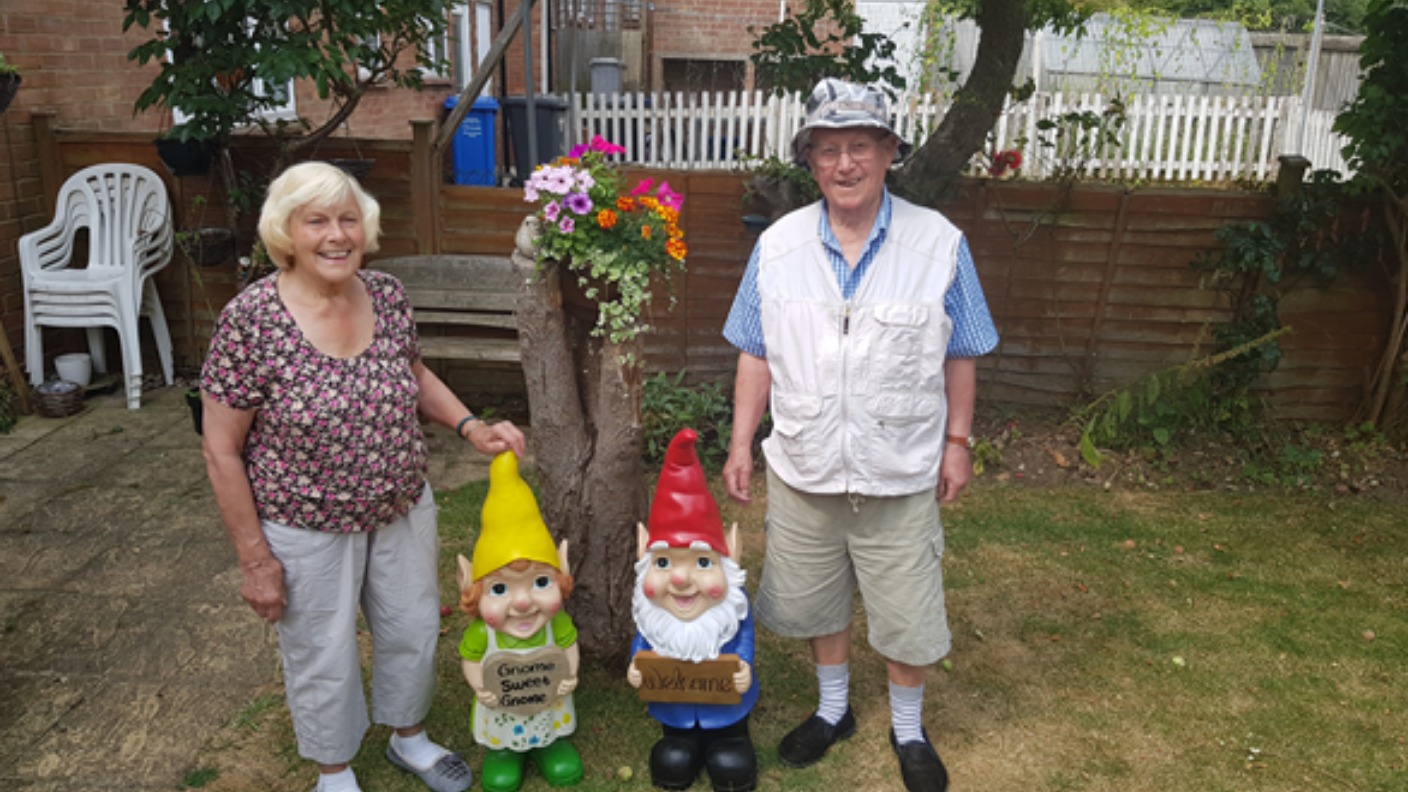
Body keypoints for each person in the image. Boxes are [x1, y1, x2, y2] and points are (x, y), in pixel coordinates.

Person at [201, 161, 526, 792]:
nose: (337, 235)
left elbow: (414, 373)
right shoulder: (251, 320)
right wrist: (255, 559)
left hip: (400, 502)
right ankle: (334, 770)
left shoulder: (386, 293)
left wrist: (469, 427)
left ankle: (410, 737)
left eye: (348, 219)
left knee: (412, 628)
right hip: (305, 521)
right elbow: (221, 450)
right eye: (316, 221)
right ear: (286, 232)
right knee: (323, 651)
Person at [720, 78, 1000, 792]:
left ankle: (908, 728)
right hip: (805, 463)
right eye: (828, 149)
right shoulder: (778, 246)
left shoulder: (938, 243)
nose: (845, 164)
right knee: (816, 600)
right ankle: (833, 710)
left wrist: (958, 443)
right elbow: (755, 350)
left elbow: (962, 350)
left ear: (888, 152)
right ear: (810, 161)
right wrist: (741, 443)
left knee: (908, 613)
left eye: (860, 147)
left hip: (898, 470)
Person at [627, 428, 758, 792]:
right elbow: (645, 639)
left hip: (727, 708)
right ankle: (680, 742)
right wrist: (637, 666)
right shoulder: (654, 614)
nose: (680, 580)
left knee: (730, 760)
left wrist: (744, 666)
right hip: (674, 708)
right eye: (664, 563)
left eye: (702, 563)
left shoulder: (730, 610)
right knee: (673, 757)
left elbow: (743, 640)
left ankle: (730, 740)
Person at [455, 451, 583, 792]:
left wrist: (570, 674)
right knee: (503, 734)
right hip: (503, 707)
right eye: (500, 589)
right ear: (472, 590)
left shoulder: (556, 624)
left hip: (547, 699)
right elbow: (471, 660)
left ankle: (550, 745)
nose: (523, 602)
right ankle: (504, 754)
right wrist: (480, 686)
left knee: (549, 721)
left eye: (540, 582)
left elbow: (569, 646)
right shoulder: (483, 633)